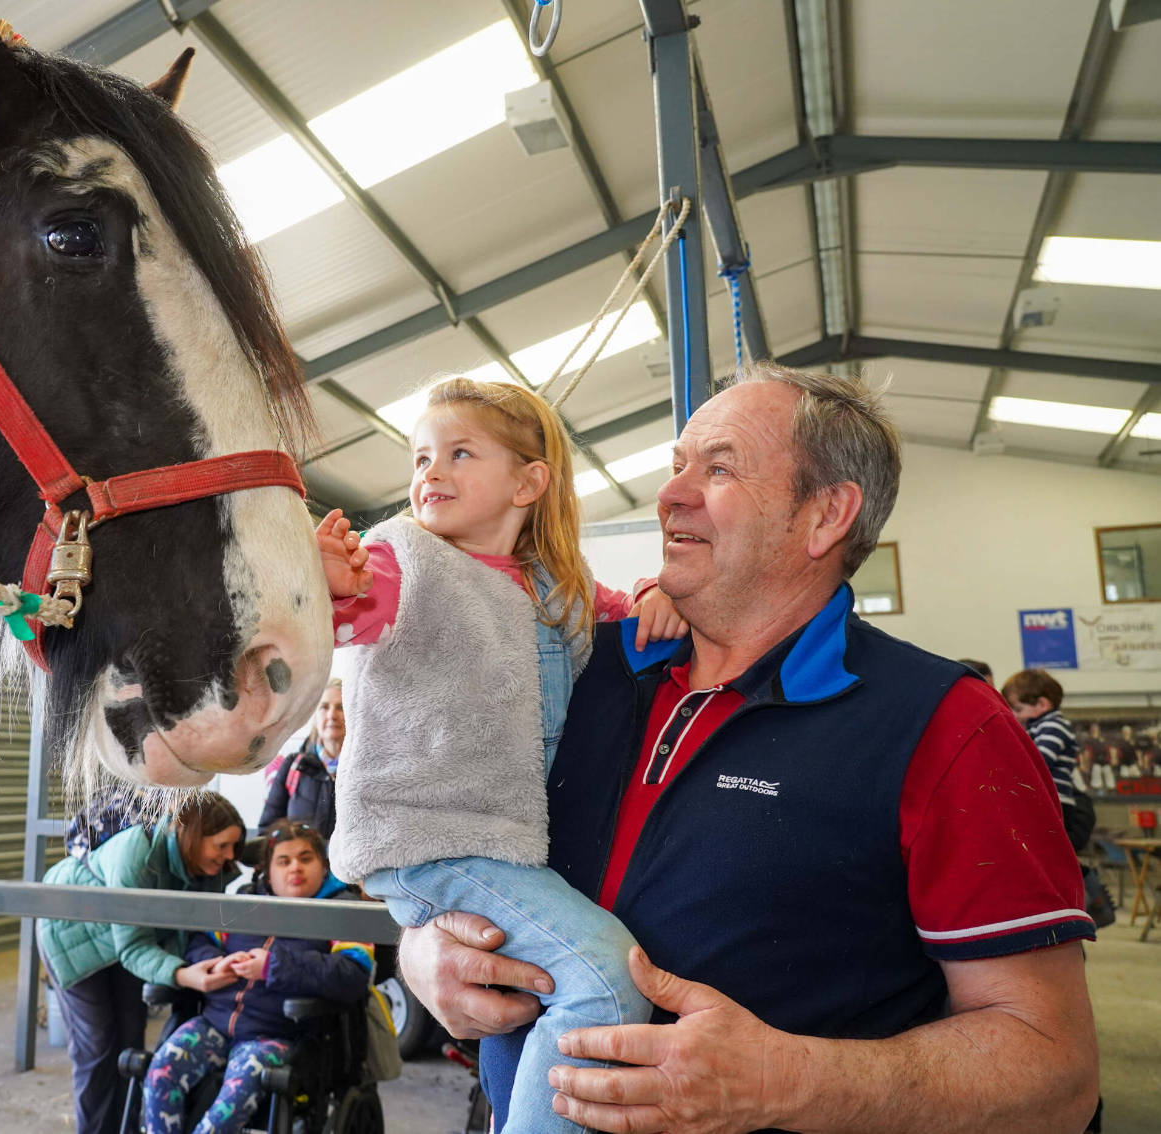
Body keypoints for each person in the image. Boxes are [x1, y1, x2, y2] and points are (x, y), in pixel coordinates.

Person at [396, 364, 1099, 1134]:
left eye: (720, 468)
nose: (669, 495)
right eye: (677, 467)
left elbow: (1054, 1067)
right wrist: (422, 954)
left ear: (827, 515)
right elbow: (451, 837)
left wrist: (790, 1081)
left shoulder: (945, 727)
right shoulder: (568, 663)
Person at [315, 375, 687, 1134]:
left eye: (458, 453)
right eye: (421, 457)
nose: (431, 473)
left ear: (530, 481)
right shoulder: (400, 561)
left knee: (572, 984)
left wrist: (660, 589)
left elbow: (628, 614)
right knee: (609, 981)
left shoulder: (558, 587)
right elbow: (348, 607)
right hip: (433, 839)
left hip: (505, 848)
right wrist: (323, 584)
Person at [143, 823, 373, 1134]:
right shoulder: (244, 901)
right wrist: (216, 963)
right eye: (284, 860)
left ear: (323, 864)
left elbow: (352, 976)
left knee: (230, 1102)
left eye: (306, 858)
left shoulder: (342, 910)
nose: (295, 867)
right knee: (160, 1070)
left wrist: (273, 966)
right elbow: (199, 942)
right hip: (214, 1025)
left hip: (275, 1036)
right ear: (268, 870)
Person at [38, 793, 246, 1134]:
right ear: (191, 836)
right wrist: (182, 975)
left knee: (130, 1045)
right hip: (72, 935)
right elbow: (134, 948)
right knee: (99, 1048)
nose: (229, 857)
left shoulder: (204, 866)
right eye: (222, 846)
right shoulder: (136, 852)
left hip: (124, 942)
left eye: (234, 848)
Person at [1004, 667, 1094, 851]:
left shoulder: (1054, 726)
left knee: (1046, 850)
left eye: (1019, 709)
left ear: (1042, 704)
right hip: (1047, 802)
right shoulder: (1039, 727)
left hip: (1056, 803)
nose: (1015, 715)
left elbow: (1040, 761)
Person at [258, 678, 344, 839]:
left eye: (341, 707)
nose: (332, 715)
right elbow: (267, 831)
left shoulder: (365, 769)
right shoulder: (293, 766)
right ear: (315, 715)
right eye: (324, 707)